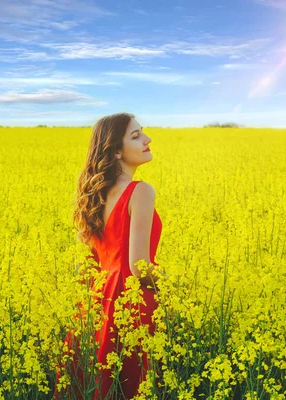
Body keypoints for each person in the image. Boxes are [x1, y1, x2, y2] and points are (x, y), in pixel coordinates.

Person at [54, 112, 163, 399]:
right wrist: (172, 286)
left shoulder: (96, 194)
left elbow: (89, 262)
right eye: (136, 136)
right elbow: (139, 267)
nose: (147, 139)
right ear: (116, 151)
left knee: (97, 385)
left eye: (143, 132)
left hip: (97, 300)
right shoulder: (140, 192)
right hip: (131, 302)